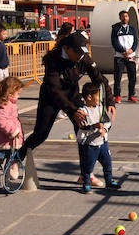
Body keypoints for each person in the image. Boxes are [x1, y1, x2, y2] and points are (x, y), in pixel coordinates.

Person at [20, 32, 115, 166]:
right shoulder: (53, 60)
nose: (81, 56)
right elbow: (55, 90)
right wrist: (72, 111)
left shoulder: (83, 58)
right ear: (67, 49)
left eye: (83, 53)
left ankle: (85, 173)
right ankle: (17, 158)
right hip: (51, 97)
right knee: (40, 134)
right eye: (78, 53)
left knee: (83, 129)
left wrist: (110, 101)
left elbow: (100, 80)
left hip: (72, 95)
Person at [0, 76, 24, 195]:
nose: (19, 95)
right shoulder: (4, 105)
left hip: (2, 140)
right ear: (11, 93)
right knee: (0, 163)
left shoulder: (6, 103)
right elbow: (0, 121)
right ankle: (1, 185)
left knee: (4, 162)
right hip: (2, 141)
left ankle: (4, 183)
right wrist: (13, 131)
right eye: (18, 93)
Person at [76, 82, 115, 192]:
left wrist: (104, 129)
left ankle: (109, 181)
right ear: (89, 97)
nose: (100, 98)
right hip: (89, 144)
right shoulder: (83, 111)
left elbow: (108, 122)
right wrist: (95, 126)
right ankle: (86, 182)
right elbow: (82, 126)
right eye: (98, 96)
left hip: (102, 143)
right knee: (88, 166)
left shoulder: (100, 108)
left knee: (107, 163)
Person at [111, 10, 138, 103]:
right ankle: (117, 96)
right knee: (118, 77)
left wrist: (131, 50)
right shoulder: (115, 28)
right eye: (123, 16)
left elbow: (136, 42)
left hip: (131, 56)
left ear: (128, 17)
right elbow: (114, 42)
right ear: (120, 18)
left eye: (126, 16)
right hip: (119, 57)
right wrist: (123, 51)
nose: (125, 18)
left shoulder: (132, 29)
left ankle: (131, 95)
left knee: (132, 77)